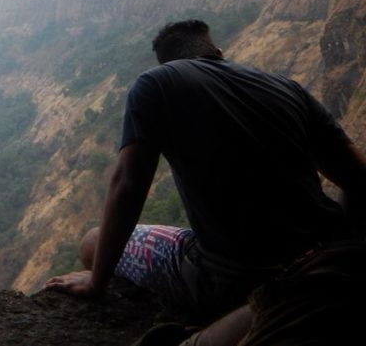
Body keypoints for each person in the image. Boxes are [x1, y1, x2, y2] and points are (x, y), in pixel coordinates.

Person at [43, 19, 366, 326]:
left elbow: (127, 183)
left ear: (166, 62)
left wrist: (97, 282)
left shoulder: (155, 83)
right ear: (219, 53)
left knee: (92, 241)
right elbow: (357, 176)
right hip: (325, 260)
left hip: (232, 279)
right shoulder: (288, 87)